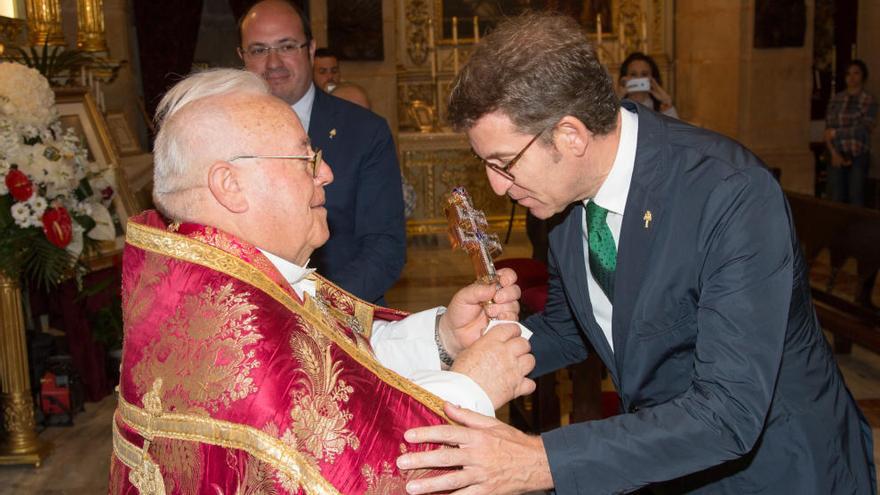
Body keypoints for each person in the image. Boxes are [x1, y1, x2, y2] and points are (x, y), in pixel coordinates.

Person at [396, 13, 876, 494]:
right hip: (663, 458)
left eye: (503, 164)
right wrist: (480, 346)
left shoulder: (729, 195)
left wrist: (541, 461)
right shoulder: (564, 202)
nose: (498, 187)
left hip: (778, 470)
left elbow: (729, 412)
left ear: (571, 135)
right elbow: (571, 330)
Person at [108, 68, 535, 494]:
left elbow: (330, 374)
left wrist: (442, 340)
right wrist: (470, 387)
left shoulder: (215, 279)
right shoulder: (236, 333)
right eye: (305, 158)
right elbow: (354, 472)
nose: (326, 172)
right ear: (230, 186)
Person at [239, 0, 404, 304]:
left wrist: (317, 307)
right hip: (248, 318)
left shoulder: (365, 132)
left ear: (310, 50)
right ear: (242, 57)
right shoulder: (224, 133)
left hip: (343, 316)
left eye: (287, 46)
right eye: (259, 50)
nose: (273, 62)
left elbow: (384, 246)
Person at [824, 59, 878, 206]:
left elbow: (864, 129)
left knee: (856, 195)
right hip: (837, 152)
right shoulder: (836, 99)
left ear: (863, 76)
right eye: (848, 74)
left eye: (856, 73)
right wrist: (833, 152)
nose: (852, 78)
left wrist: (838, 133)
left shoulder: (869, 100)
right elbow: (828, 130)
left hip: (858, 153)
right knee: (836, 197)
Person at [617, 51, 678, 118]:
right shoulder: (619, 105)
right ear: (624, 78)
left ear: (653, 78)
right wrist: (616, 100)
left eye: (644, 74)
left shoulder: (662, 108)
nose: (639, 78)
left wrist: (667, 102)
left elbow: (676, 128)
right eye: (633, 74)